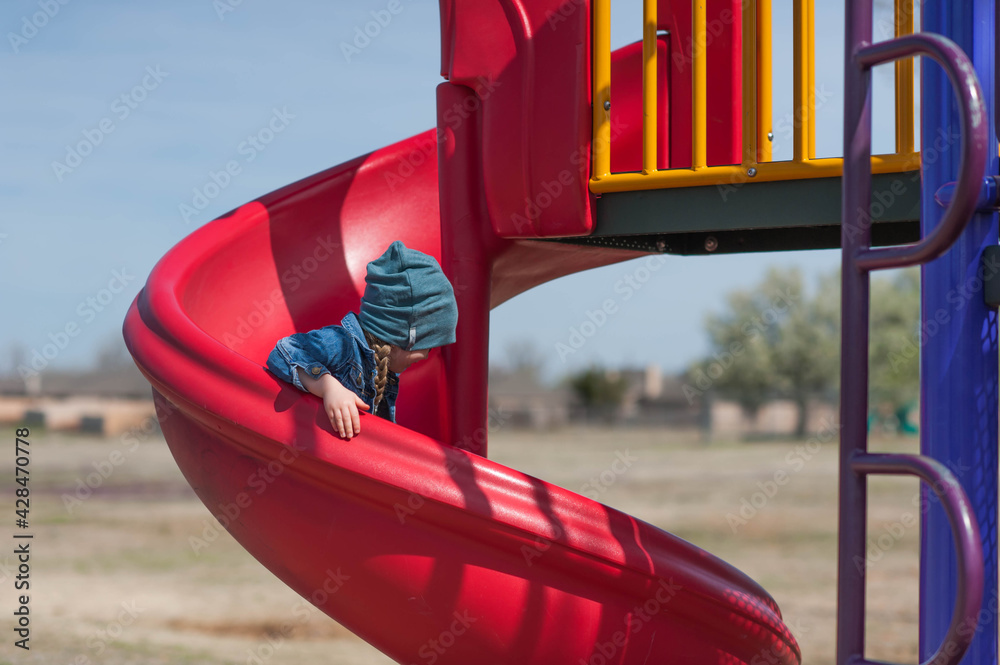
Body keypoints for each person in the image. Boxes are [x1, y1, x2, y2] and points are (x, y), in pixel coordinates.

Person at [266, 240, 458, 439]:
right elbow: (283, 353)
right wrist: (328, 388)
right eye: (428, 343)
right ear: (402, 334)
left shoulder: (385, 369)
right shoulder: (343, 345)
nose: (429, 354)